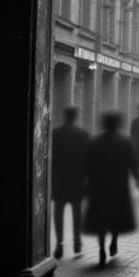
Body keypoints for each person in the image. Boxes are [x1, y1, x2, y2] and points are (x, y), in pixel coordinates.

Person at [82, 111, 139, 268]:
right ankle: (114, 241)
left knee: (100, 218)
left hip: (99, 186)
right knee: (115, 216)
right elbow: (132, 161)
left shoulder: (95, 141)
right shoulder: (125, 140)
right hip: (118, 186)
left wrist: (83, 180)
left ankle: (101, 249)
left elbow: (87, 163)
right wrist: (137, 178)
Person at [51, 105, 90, 258]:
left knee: (58, 212)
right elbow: (88, 159)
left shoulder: (56, 133)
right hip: (77, 180)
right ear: (76, 117)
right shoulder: (83, 134)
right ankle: (77, 241)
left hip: (60, 180)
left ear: (65, 116)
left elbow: (51, 157)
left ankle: (59, 243)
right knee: (77, 212)